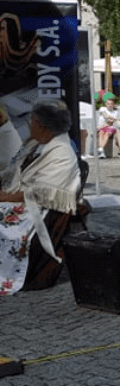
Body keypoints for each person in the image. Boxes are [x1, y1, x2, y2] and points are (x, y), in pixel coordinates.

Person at [0, 99, 82, 293]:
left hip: (37, 214)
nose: (30, 125)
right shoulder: (34, 143)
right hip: (20, 201)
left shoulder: (62, 153)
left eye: (33, 122)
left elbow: (46, 194)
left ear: (44, 127)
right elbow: (11, 169)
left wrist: (5, 198)